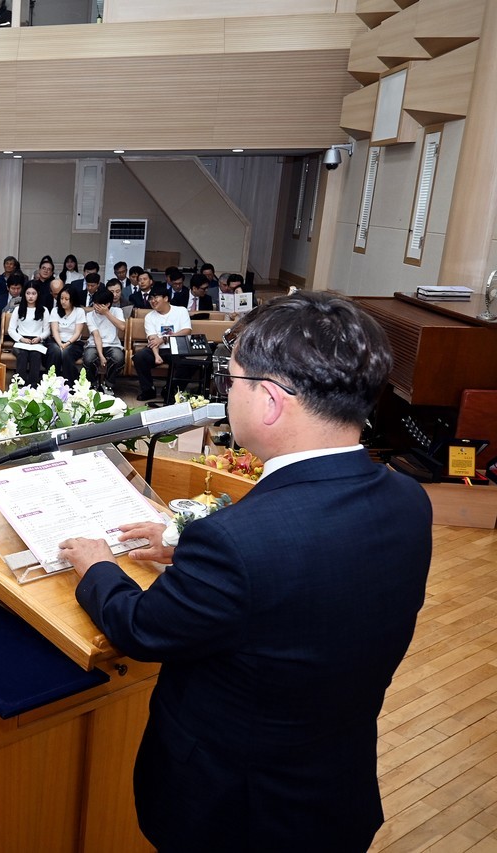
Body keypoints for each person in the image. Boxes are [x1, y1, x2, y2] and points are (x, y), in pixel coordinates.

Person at [59, 292, 431, 852]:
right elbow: (308, 582)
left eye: (230, 381)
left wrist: (97, 565)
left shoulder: (239, 541)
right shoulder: (408, 500)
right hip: (332, 793)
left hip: (235, 812)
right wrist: (190, 553)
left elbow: (141, 628)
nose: (225, 394)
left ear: (271, 401)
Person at [132, 282, 192, 401]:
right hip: (158, 349)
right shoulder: (150, 316)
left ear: (166, 298)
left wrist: (164, 338)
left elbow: (186, 330)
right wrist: (156, 355)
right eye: (151, 298)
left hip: (178, 347)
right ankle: (148, 390)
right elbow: (153, 339)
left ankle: (171, 389)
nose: (153, 301)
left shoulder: (181, 311)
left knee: (188, 362)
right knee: (139, 357)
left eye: (156, 297)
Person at [83, 287, 125, 391]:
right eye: (95, 303)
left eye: (99, 304)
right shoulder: (90, 315)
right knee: (88, 359)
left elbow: (122, 327)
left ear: (107, 305)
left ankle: (108, 385)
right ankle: (93, 384)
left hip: (113, 344)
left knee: (118, 358)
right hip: (94, 344)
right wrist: (101, 356)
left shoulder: (117, 311)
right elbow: (96, 335)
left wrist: (107, 313)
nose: (95, 307)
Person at [9, 283, 49, 388]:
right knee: (22, 355)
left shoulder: (44, 310)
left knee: (35, 355)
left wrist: (39, 338)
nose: (30, 296)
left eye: (33, 293)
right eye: (28, 293)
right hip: (21, 341)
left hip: (37, 341)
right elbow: (11, 329)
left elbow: (47, 331)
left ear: (38, 294)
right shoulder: (18, 309)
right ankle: (20, 384)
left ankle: (33, 385)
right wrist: (21, 339)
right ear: (24, 294)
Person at [47, 287, 85, 379]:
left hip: (74, 342)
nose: (63, 301)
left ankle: (70, 383)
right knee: (55, 351)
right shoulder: (55, 311)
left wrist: (67, 343)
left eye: (66, 299)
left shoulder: (79, 311)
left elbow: (77, 332)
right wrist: (60, 343)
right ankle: (51, 381)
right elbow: (54, 330)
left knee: (66, 353)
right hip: (56, 341)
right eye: (61, 298)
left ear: (73, 299)